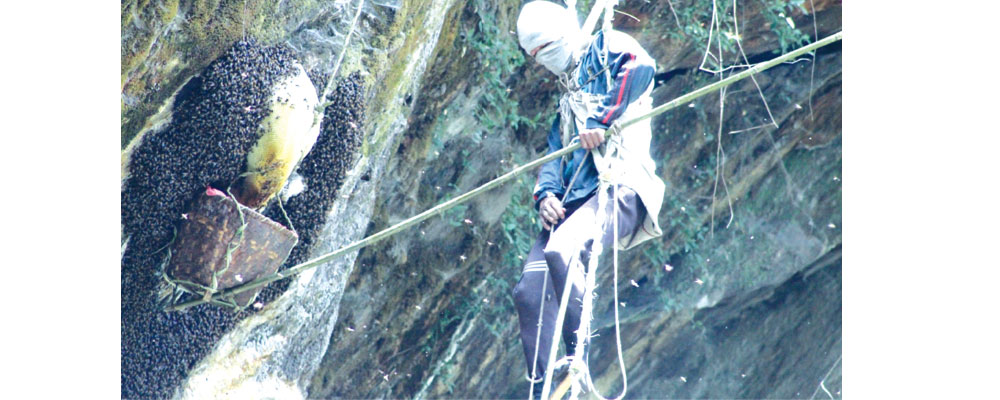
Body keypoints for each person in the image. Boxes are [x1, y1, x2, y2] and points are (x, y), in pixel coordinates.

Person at [510, 1, 666, 397]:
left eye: (544, 51)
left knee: (563, 250)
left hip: (621, 188)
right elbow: (554, 153)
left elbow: (639, 66)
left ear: (562, 36)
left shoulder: (607, 47)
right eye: (535, 58)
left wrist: (601, 119)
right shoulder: (568, 97)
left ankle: (574, 361)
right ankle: (542, 387)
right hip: (577, 204)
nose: (542, 62)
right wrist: (545, 195)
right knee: (528, 291)